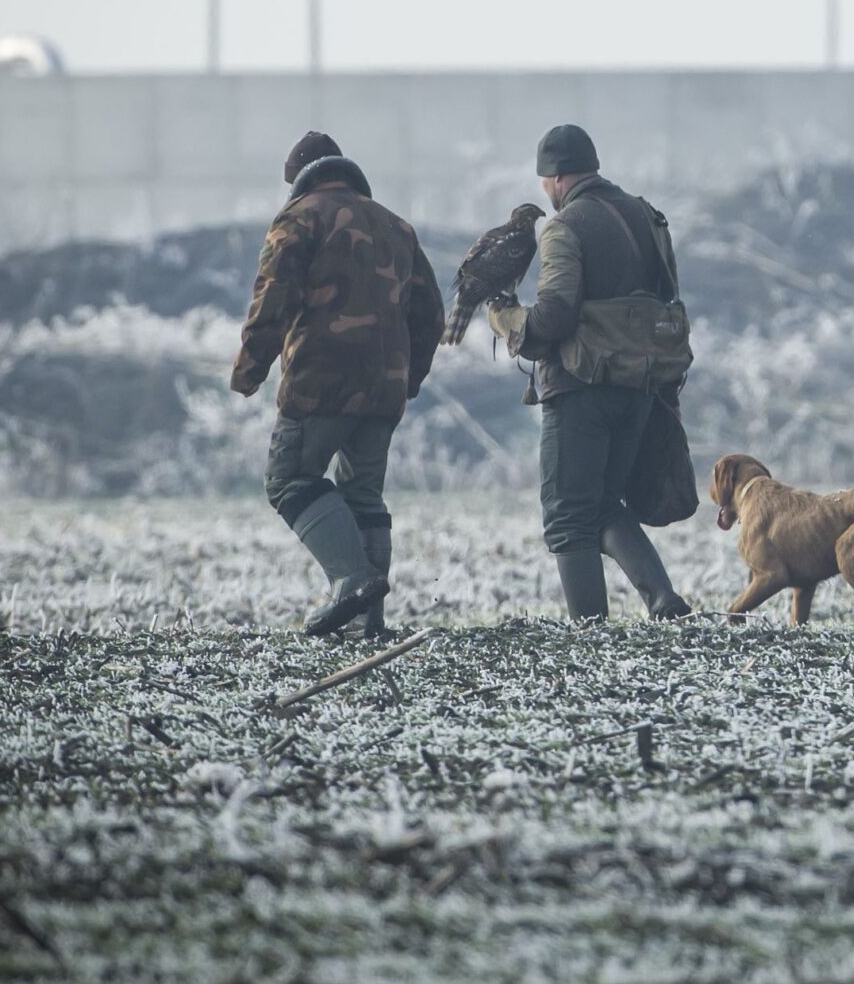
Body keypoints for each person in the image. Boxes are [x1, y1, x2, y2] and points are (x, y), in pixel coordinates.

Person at [232, 131, 445, 637]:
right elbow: (430, 316)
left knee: (289, 480)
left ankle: (351, 579)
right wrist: (408, 379)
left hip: (320, 381)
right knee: (363, 496)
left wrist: (249, 369)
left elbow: (273, 297)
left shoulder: (299, 218)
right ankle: (366, 623)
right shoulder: (397, 226)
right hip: (384, 388)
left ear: (300, 180)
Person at [487, 125, 692, 622]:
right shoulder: (646, 216)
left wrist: (507, 320)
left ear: (556, 177)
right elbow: (664, 296)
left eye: (544, 180)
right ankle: (662, 598)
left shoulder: (565, 226)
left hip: (581, 390)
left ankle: (589, 628)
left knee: (567, 517)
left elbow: (554, 315)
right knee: (601, 503)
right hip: (641, 387)